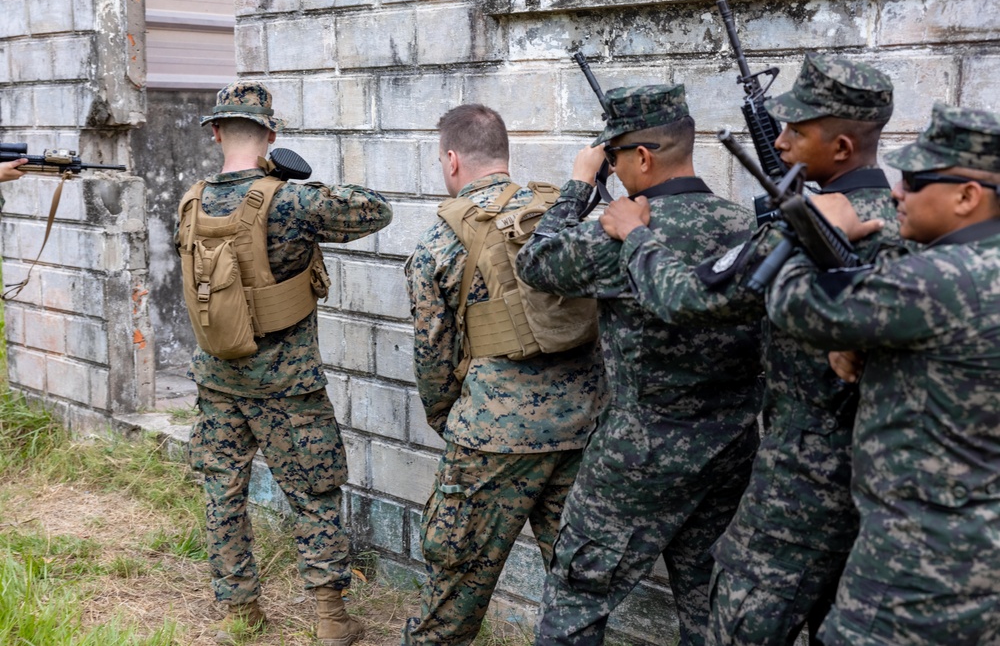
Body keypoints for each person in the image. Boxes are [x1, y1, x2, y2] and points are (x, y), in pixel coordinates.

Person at [598, 55, 899, 645]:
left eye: (798, 130)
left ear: (840, 146)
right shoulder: (907, 221)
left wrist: (633, 233)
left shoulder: (806, 225)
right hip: (880, 483)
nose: (781, 139)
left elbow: (687, 299)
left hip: (802, 479)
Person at [516, 85, 762, 645]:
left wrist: (580, 186)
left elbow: (534, 261)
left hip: (641, 452)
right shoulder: (748, 228)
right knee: (712, 606)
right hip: (732, 447)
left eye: (616, 156)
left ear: (642, 157)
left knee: (577, 599)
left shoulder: (622, 229)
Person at [766, 101, 1000, 645]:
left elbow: (795, 306)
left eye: (916, 182)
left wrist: (813, 228)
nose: (897, 192)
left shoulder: (940, 279)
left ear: (968, 195)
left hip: (918, 567)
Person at [177, 80, 392, 646]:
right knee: (313, 494)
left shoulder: (191, 199)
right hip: (287, 385)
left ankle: (238, 611)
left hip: (218, 378)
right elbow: (377, 211)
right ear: (271, 134)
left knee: (222, 492)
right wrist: (290, 174)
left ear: (217, 132)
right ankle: (330, 620)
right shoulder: (293, 200)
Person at [401, 104, 607, 645]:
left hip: (494, 436)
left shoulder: (441, 240)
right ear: (504, 154)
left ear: (451, 159)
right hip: (584, 427)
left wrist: (450, 418)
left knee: (454, 589)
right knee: (578, 592)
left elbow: (433, 352)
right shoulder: (560, 216)